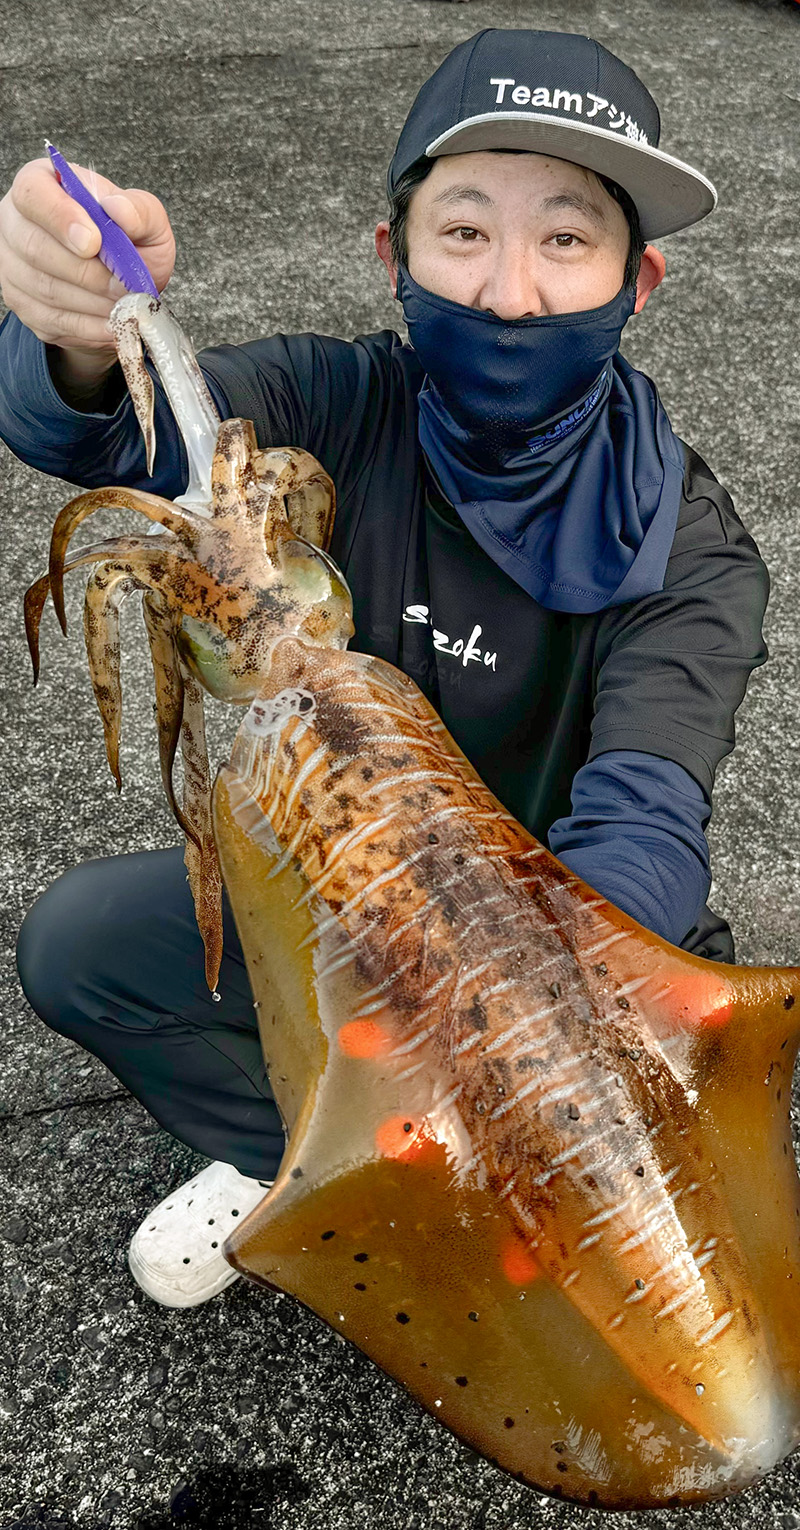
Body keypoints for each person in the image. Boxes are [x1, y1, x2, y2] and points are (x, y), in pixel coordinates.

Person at [0, 29, 768, 1308]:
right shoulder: (333, 404)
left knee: (660, 1209)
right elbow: (124, 439)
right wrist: (79, 334)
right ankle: (308, 1155)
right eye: (461, 233)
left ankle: (464, 1151)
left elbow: (644, 805)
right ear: (390, 258)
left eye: (565, 241)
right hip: (338, 888)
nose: (508, 293)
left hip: (556, 932)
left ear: (639, 283)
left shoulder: (689, 549)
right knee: (82, 944)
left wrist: (513, 1022)